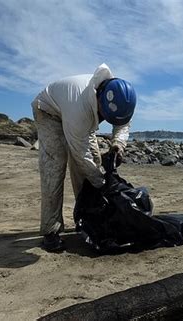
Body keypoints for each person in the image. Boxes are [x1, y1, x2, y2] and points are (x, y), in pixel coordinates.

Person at [31, 63, 136, 252]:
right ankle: (50, 231)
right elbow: (81, 155)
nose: (106, 121)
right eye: (106, 117)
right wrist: (104, 185)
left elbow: (123, 123)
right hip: (49, 113)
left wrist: (118, 145)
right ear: (100, 101)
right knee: (54, 170)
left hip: (78, 120)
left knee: (91, 168)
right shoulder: (79, 106)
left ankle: (88, 220)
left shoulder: (122, 97)